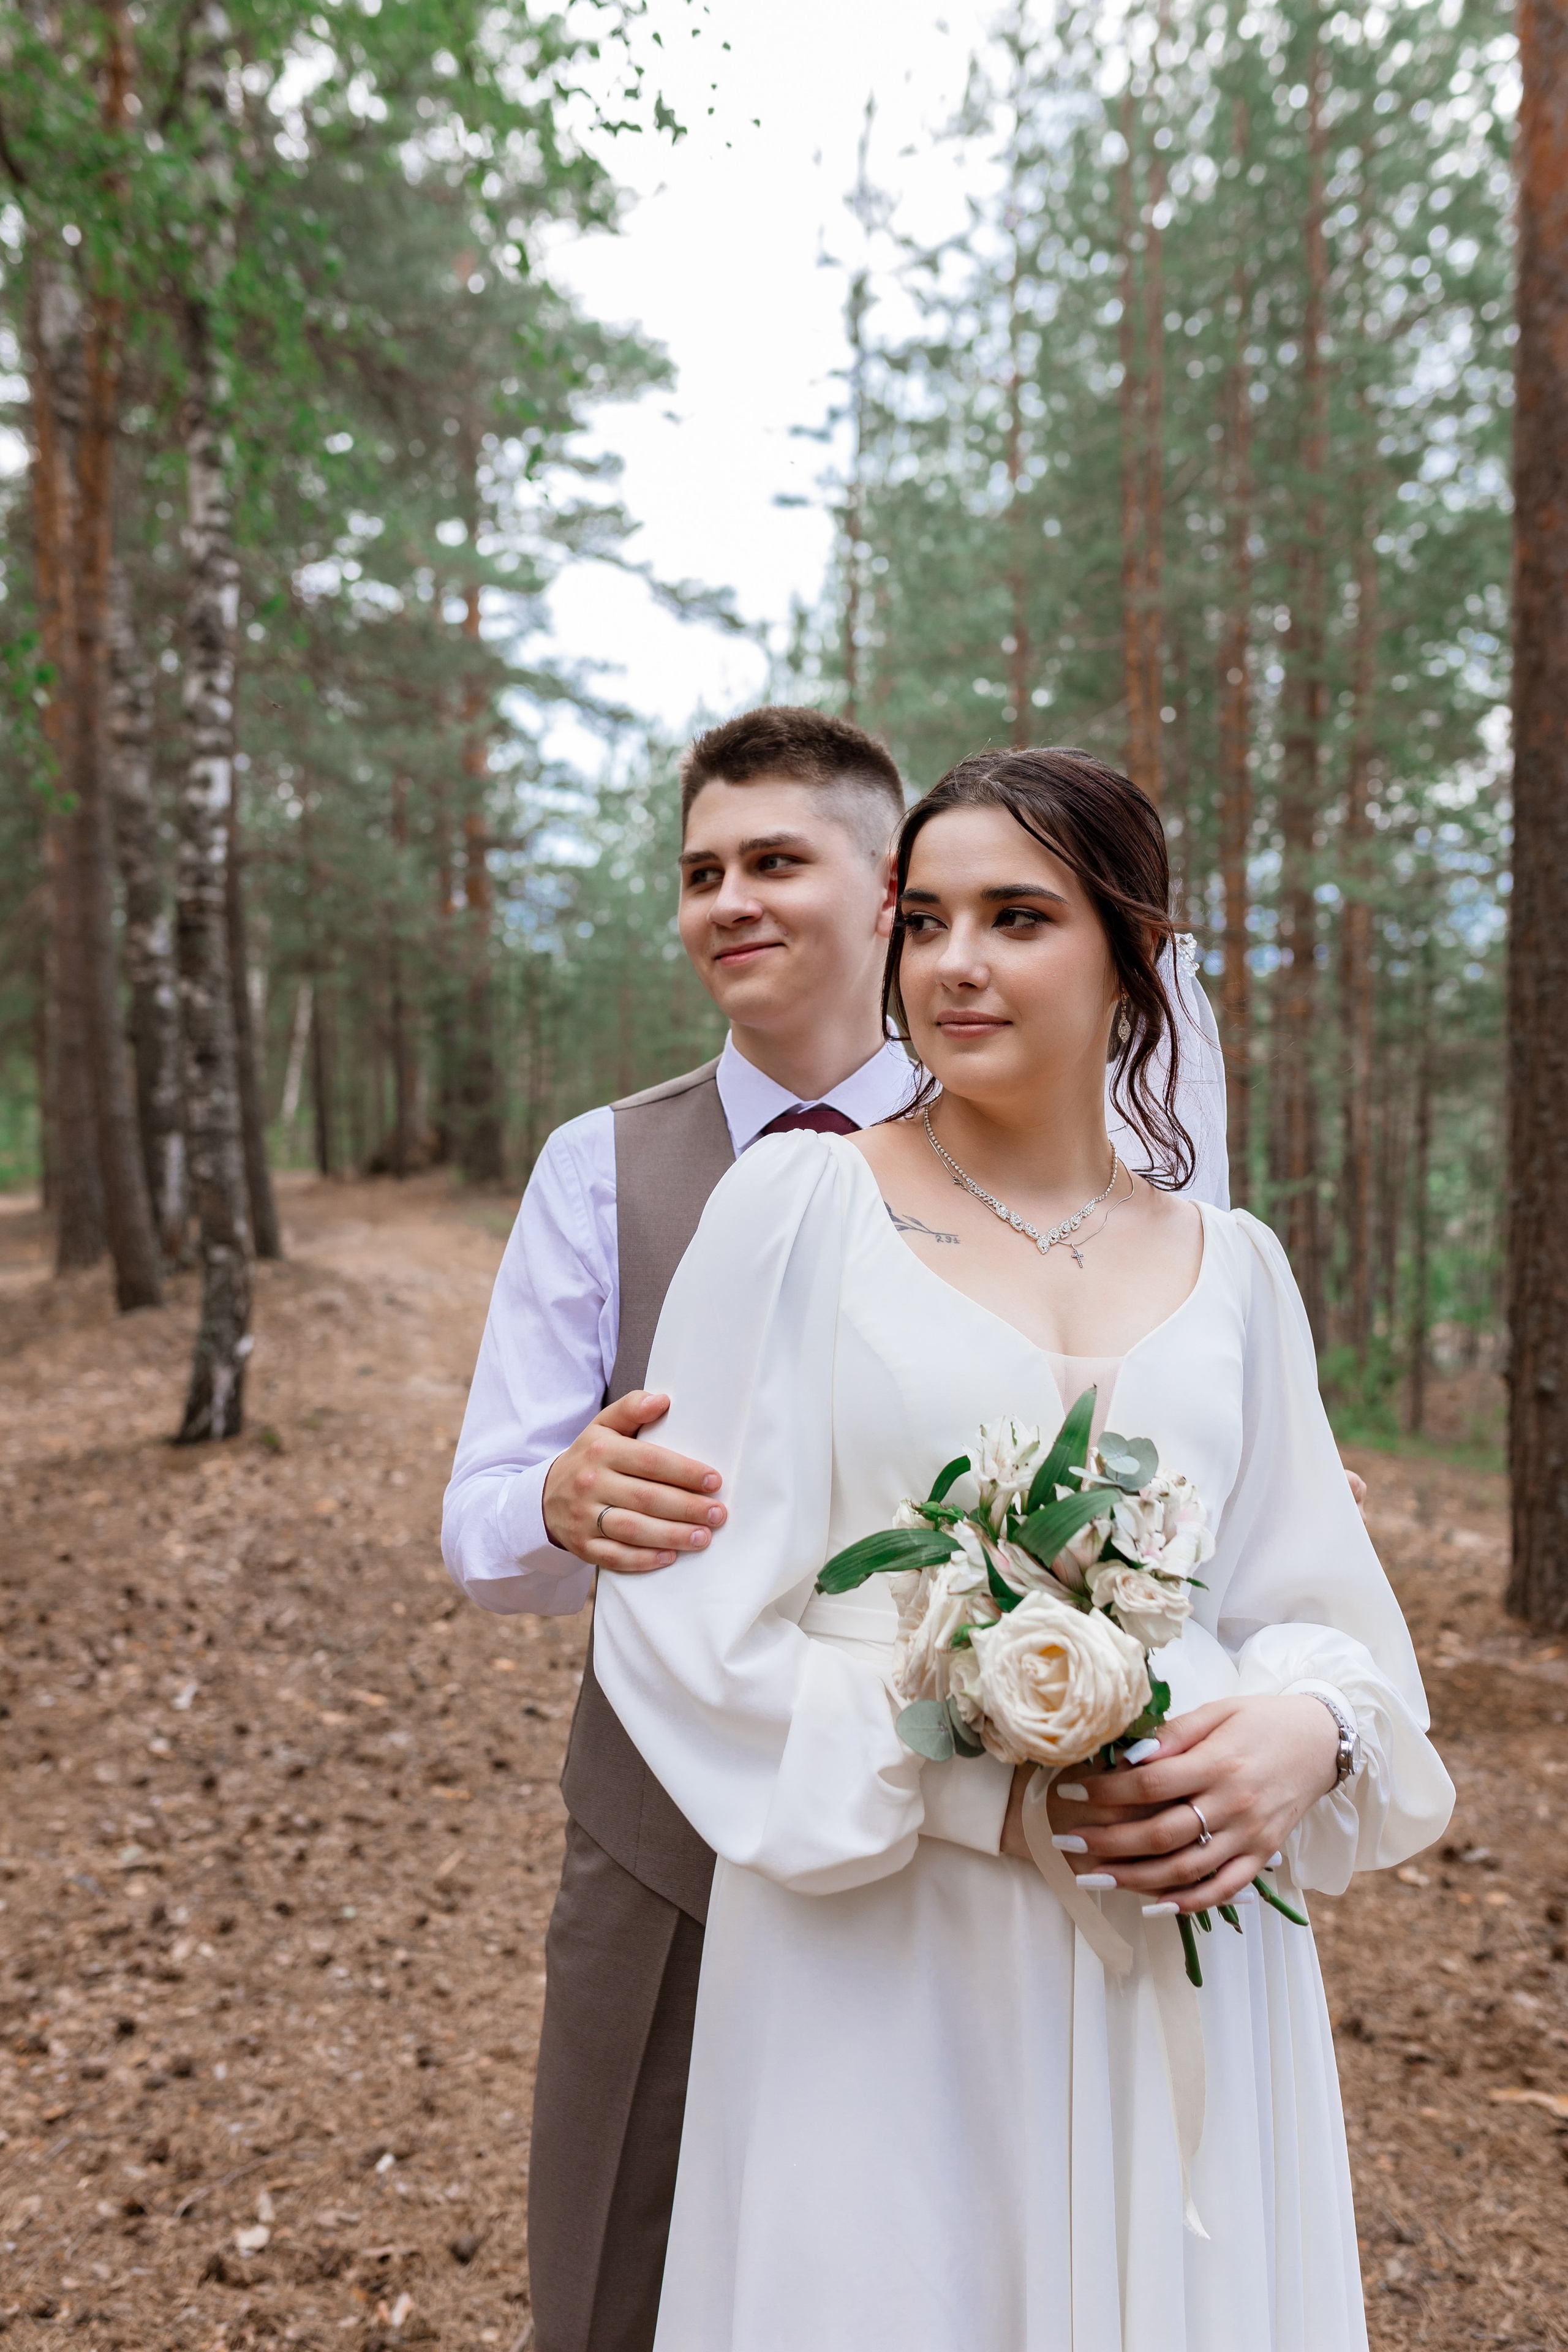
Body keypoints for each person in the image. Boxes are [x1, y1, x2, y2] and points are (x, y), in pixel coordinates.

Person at [592, 747, 1453, 2351]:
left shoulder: (1239, 1268)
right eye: (925, 920)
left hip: (1186, 1933)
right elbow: (684, 1613)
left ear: (1130, 956)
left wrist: (1305, 1735)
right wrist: (982, 1783)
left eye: (1017, 917)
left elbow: (1311, 1603)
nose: (956, 962)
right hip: (892, 1931)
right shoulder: (799, 1212)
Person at [442, 710, 1231, 2352]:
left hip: (985, 1856)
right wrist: (553, 1499)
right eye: (700, 872)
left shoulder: (1093, 1159)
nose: (728, 900)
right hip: (674, 1832)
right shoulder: (603, 1169)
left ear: (889, 895)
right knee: (618, 2271)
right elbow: (481, 1525)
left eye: (774, 861)